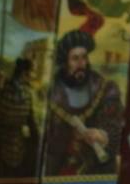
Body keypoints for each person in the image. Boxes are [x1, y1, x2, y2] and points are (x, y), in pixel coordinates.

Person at [42, 30, 122, 176]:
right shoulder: (51, 93)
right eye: (75, 58)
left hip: (95, 170)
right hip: (58, 170)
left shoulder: (106, 89)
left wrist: (102, 135)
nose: (81, 63)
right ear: (65, 63)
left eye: (84, 57)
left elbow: (115, 125)